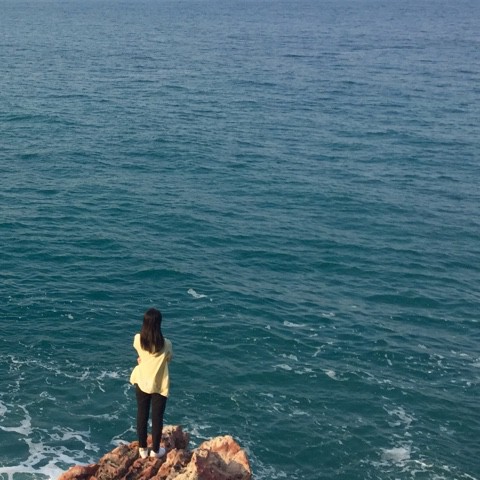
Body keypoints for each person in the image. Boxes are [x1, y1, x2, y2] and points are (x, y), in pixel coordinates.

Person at [130, 308, 173, 459]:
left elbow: (140, 354)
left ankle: (142, 449)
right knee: (157, 418)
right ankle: (155, 450)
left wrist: (142, 360)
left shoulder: (138, 339)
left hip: (142, 381)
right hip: (159, 385)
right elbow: (169, 359)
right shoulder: (166, 344)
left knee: (142, 415)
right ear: (159, 324)